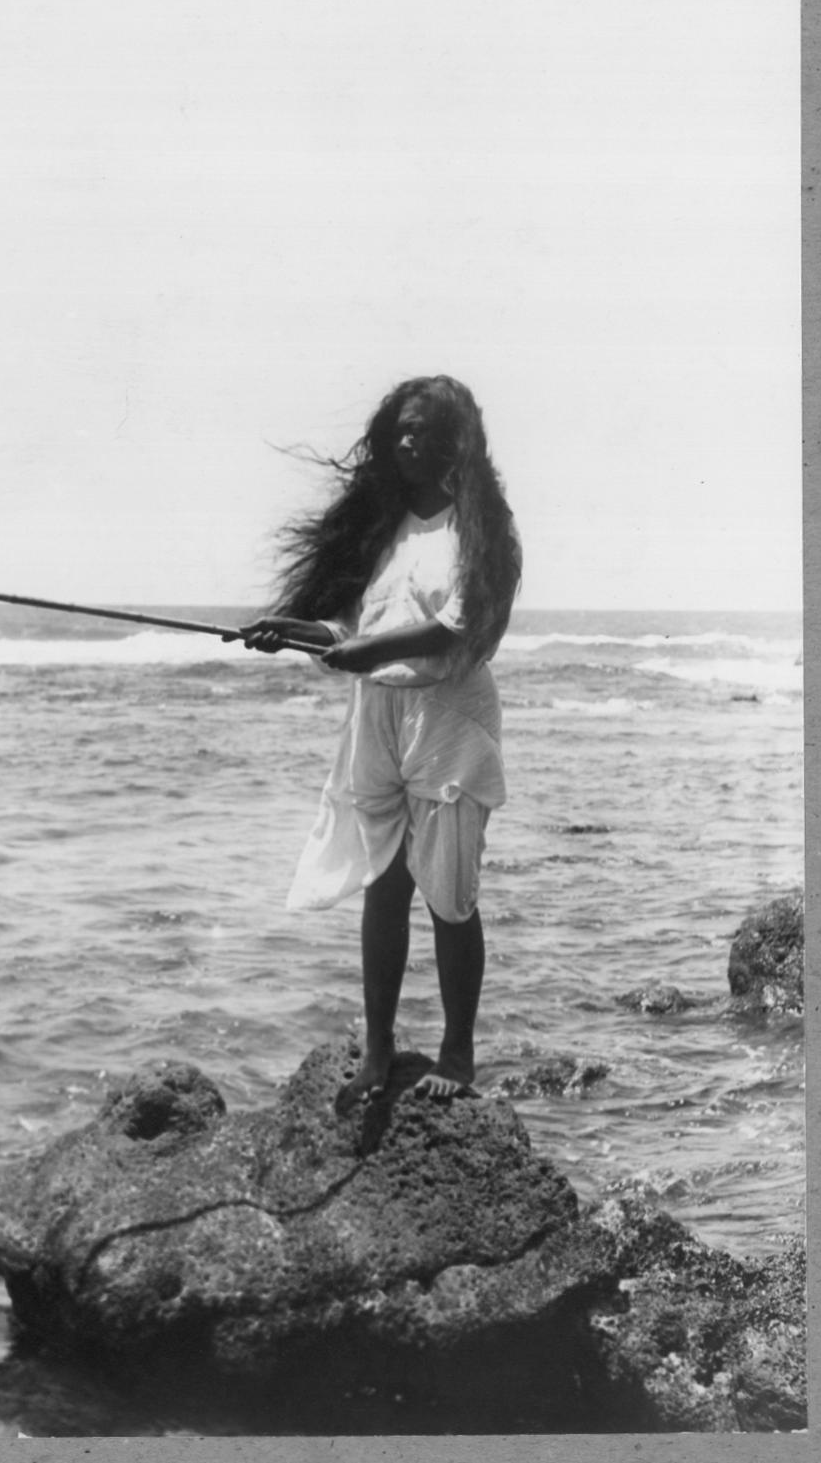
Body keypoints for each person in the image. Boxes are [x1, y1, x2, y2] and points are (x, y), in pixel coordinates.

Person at [239, 375, 520, 1104]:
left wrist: (361, 653)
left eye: (421, 430)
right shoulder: (385, 527)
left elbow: (456, 629)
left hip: (449, 716)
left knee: (450, 895)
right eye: (398, 429)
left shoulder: (482, 527)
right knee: (382, 883)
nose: (405, 441)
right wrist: (292, 631)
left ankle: (457, 1058)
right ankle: (379, 1050)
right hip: (378, 715)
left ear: (455, 439)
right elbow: (349, 629)